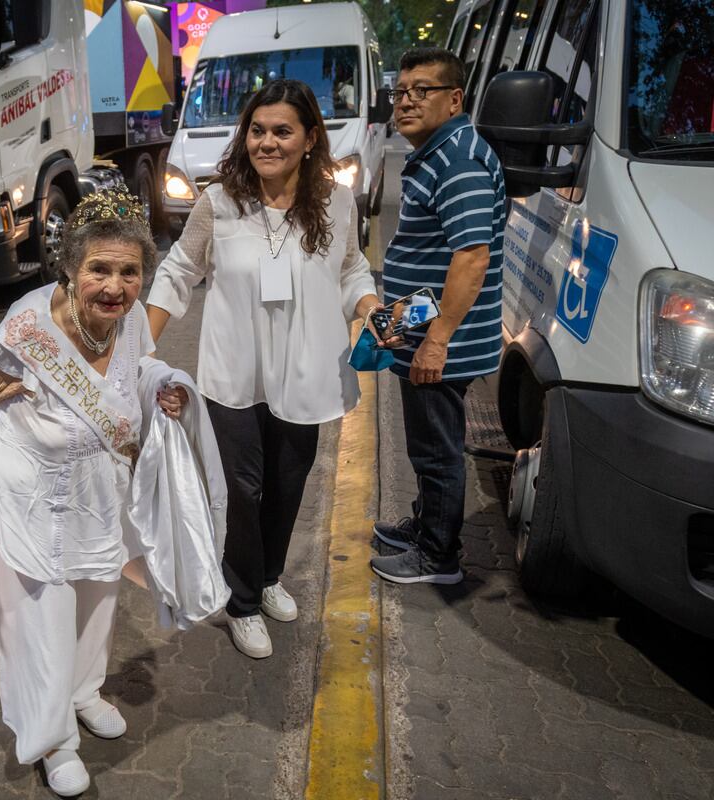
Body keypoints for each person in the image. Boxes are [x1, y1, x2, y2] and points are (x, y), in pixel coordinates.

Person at [0, 187, 189, 797]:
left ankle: (82, 691)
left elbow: (138, 375)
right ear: (70, 267)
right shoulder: (29, 325)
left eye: (129, 272)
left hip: (98, 489)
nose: (114, 286)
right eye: (99, 268)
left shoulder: (126, 325)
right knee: (40, 622)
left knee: (97, 602)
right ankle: (51, 740)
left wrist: (164, 389)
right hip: (30, 498)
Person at [146, 78, 381, 660]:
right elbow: (177, 272)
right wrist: (139, 353)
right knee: (243, 488)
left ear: (309, 139)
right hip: (235, 369)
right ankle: (243, 599)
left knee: (288, 482)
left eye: (282, 131)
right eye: (257, 130)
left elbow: (352, 269)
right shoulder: (219, 201)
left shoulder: (336, 201)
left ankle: (270, 573)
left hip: (306, 368)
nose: (266, 142)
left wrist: (370, 307)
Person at [368, 48, 506, 585]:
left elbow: (472, 258)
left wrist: (436, 341)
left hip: (439, 341)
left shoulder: (458, 163)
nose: (405, 102)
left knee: (436, 450)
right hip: (421, 324)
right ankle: (428, 525)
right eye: (401, 92)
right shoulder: (441, 152)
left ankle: (438, 557)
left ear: (455, 99)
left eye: (421, 91)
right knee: (430, 443)